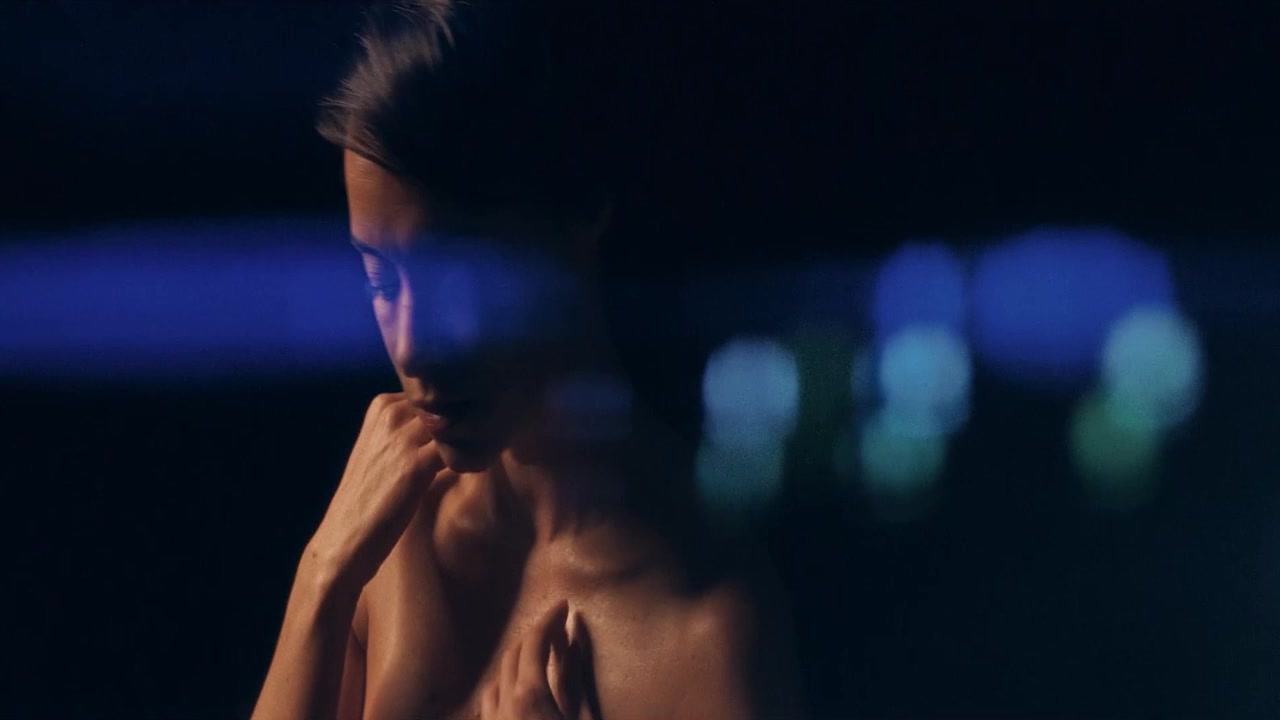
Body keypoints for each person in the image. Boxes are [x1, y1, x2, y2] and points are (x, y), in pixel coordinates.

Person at [251, 2, 800, 718]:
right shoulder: (385, 536)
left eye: (456, 279)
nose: (412, 345)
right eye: (381, 280)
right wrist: (321, 579)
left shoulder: (707, 638)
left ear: (578, 215)